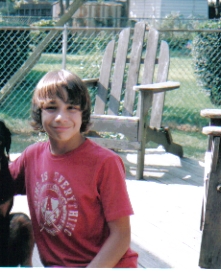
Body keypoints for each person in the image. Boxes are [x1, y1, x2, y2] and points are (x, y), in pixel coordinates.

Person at [10, 69, 138, 268]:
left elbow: (121, 235)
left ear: (83, 113)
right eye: (52, 107)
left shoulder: (105, 163)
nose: (62, 117)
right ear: (39, 112)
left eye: (71, 108)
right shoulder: (32, 157)